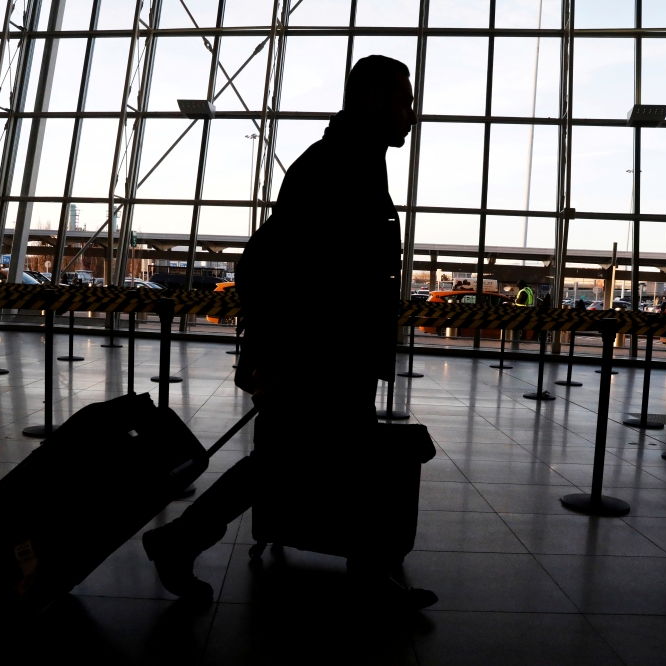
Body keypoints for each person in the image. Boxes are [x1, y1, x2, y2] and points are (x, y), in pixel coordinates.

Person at [141, 55, 436, 610]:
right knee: (318, 464)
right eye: (404, 102)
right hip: (317, 359)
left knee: (291, 466)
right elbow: (265, 267)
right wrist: (274, 362)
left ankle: (179, 540)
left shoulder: (353, 162)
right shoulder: (335, 167)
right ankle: (366, 577)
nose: (410, 115)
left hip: (332, 356)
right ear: (374, 101)